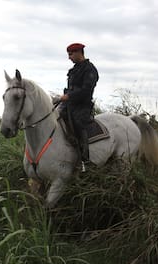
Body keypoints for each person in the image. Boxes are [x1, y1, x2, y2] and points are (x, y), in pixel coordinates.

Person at [59, 43, 99, 171]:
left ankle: (84, 160)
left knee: (78, 123)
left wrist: (69, 96)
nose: (69, 57)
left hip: (83, 105)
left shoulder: (90, 69)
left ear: (79, 52)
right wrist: (66, 96)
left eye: (71, 54)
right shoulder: (73, 70)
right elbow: (71, 88)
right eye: (68, 54)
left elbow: (86, 90)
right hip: (69, 104)